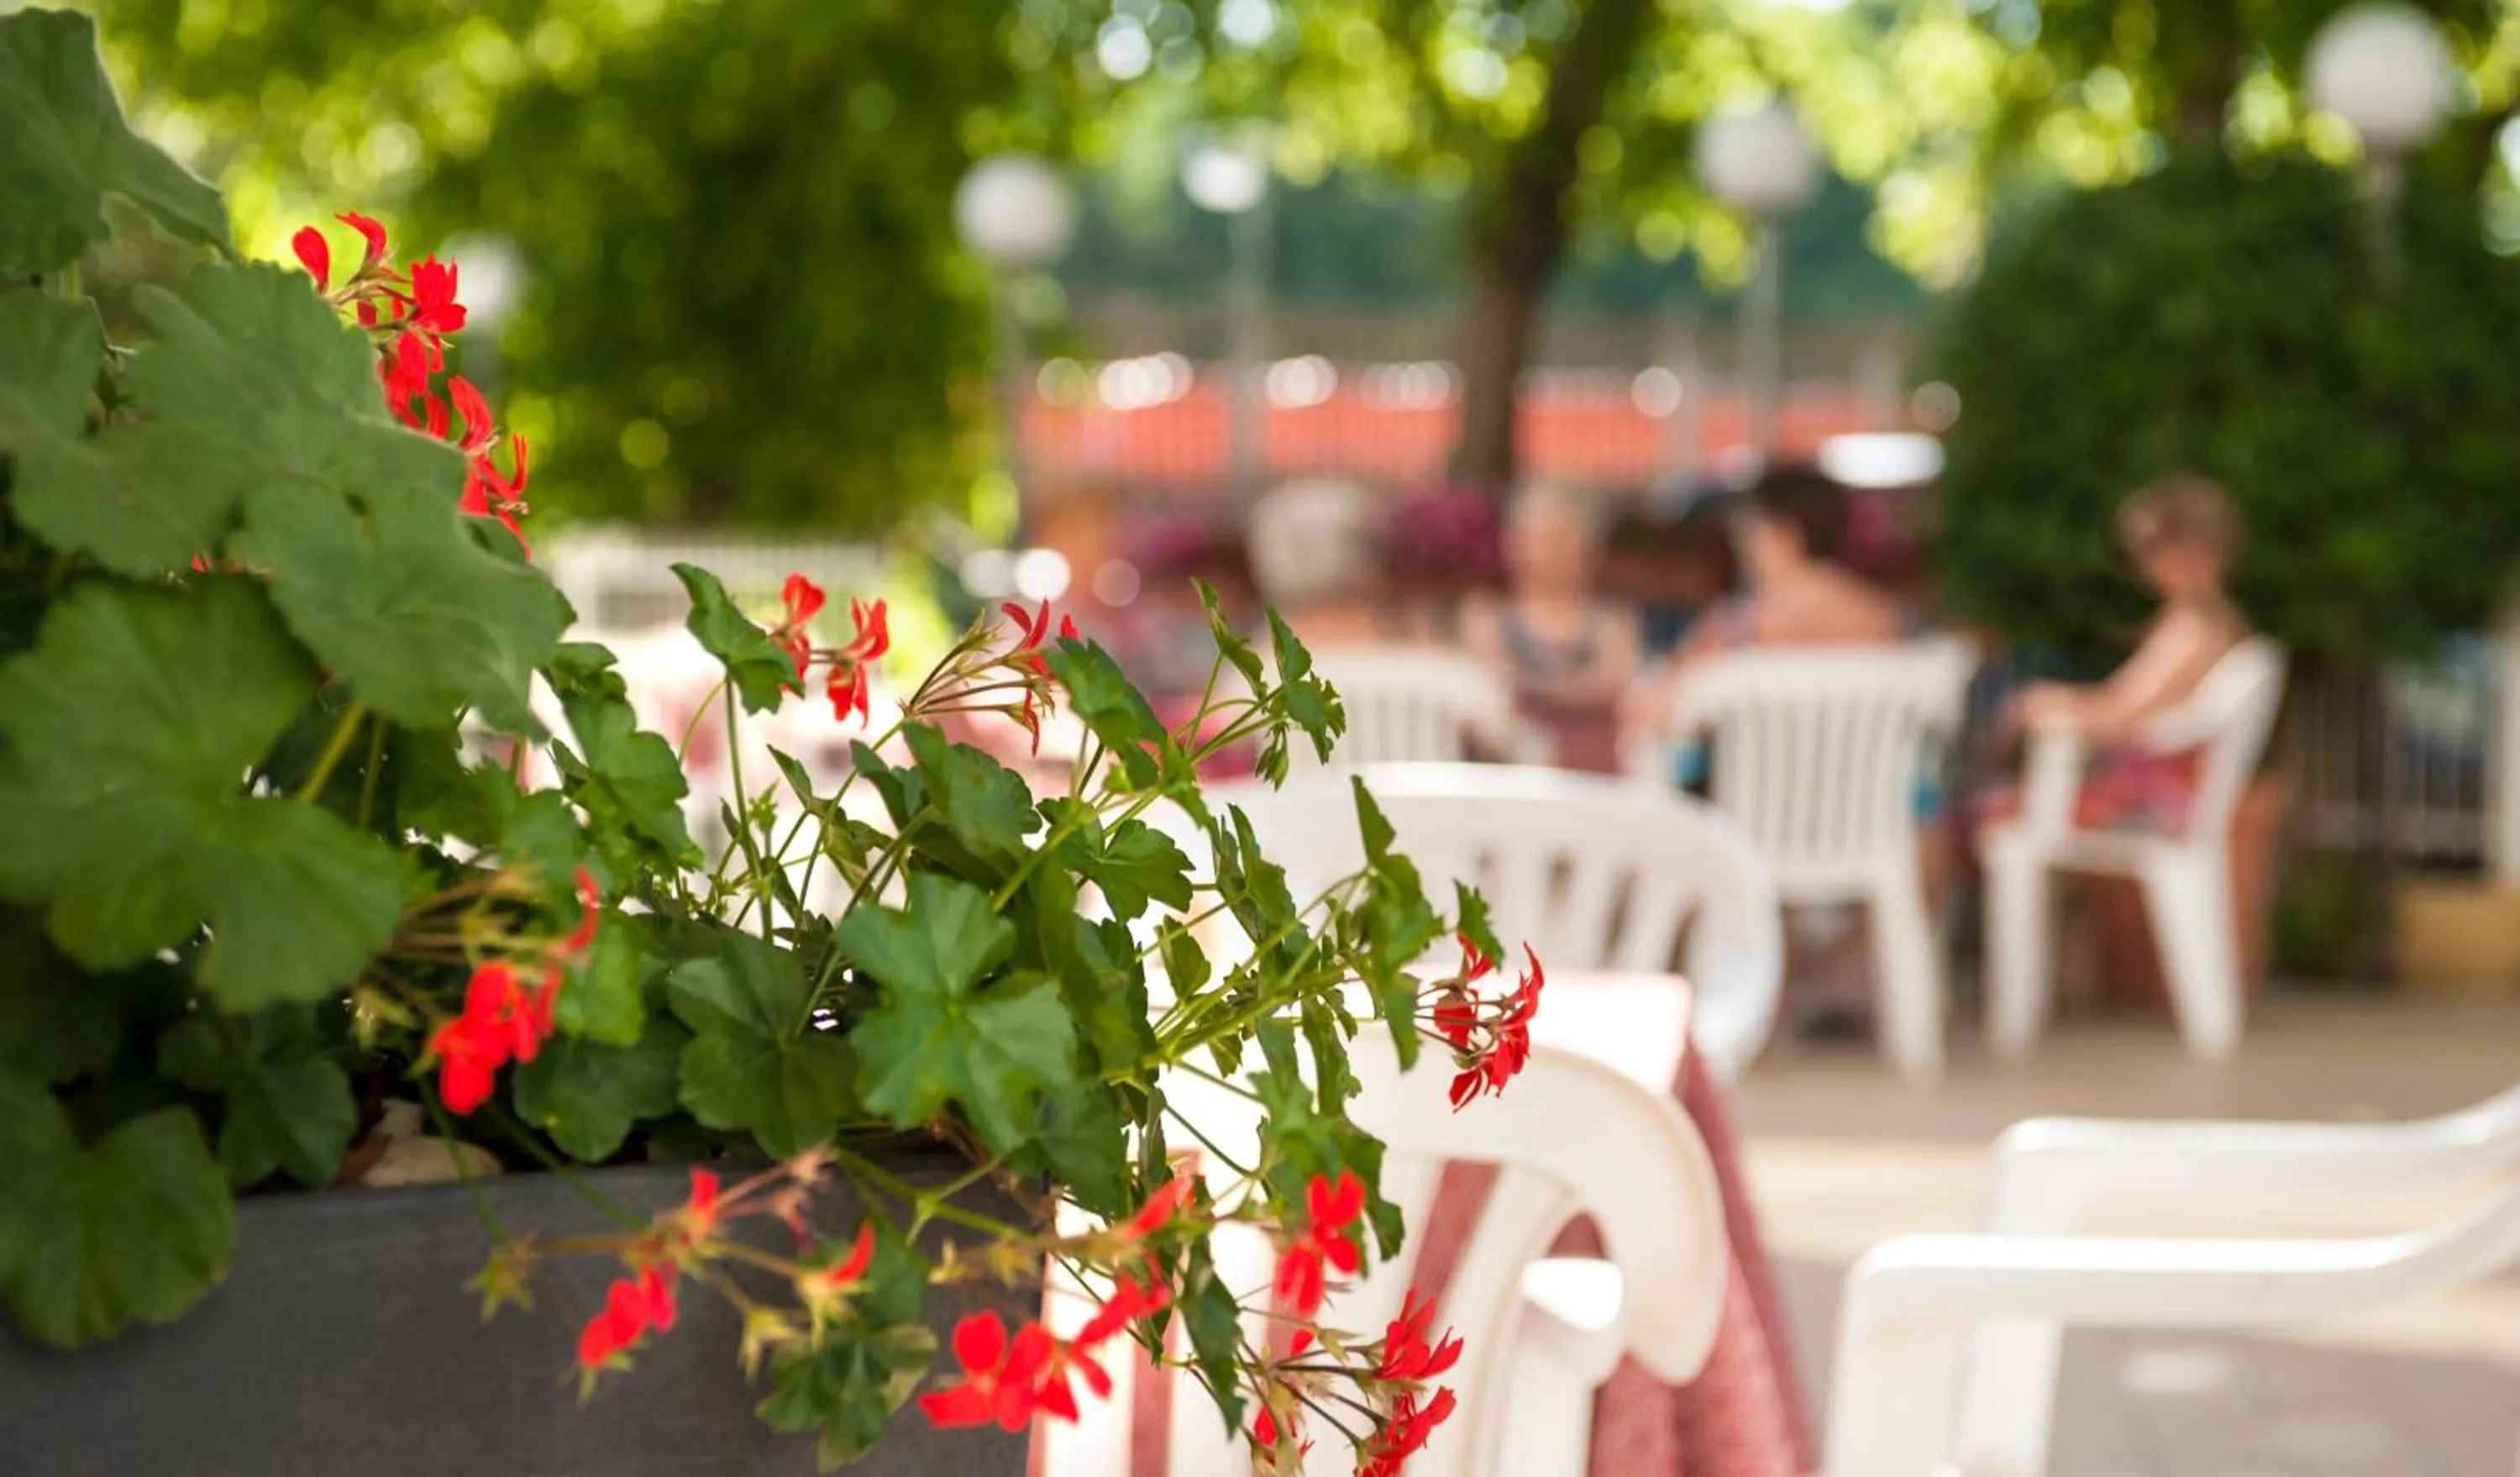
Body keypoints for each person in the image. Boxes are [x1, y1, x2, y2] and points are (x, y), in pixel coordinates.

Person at [1623, 464, 1939, 1040]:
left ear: (1782, 533)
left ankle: (1766, 989)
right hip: (1870, 827)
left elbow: (1651, 714)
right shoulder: (1884, 621)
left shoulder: (1739, 628)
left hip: (1754, 826)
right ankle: (1823, 978)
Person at [1992, 473, 2250, 833]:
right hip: (2155, 787)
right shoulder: (2208, 624)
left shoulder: (2192, 631)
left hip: (2149, 797)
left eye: (2150, 550)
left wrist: (2044, 705)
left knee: (1990, 808)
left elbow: (2120, 715)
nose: (2143, 567)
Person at [1462, 481, 1639, 772]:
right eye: (1531, 540)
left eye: (1554, 540)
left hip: (1595, 777)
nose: (1541, 554)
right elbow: (1488, 696)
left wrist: (1536, 692)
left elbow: (1618, 689)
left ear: (1584, 547)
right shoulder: (1485, 616)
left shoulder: (1613, 621)